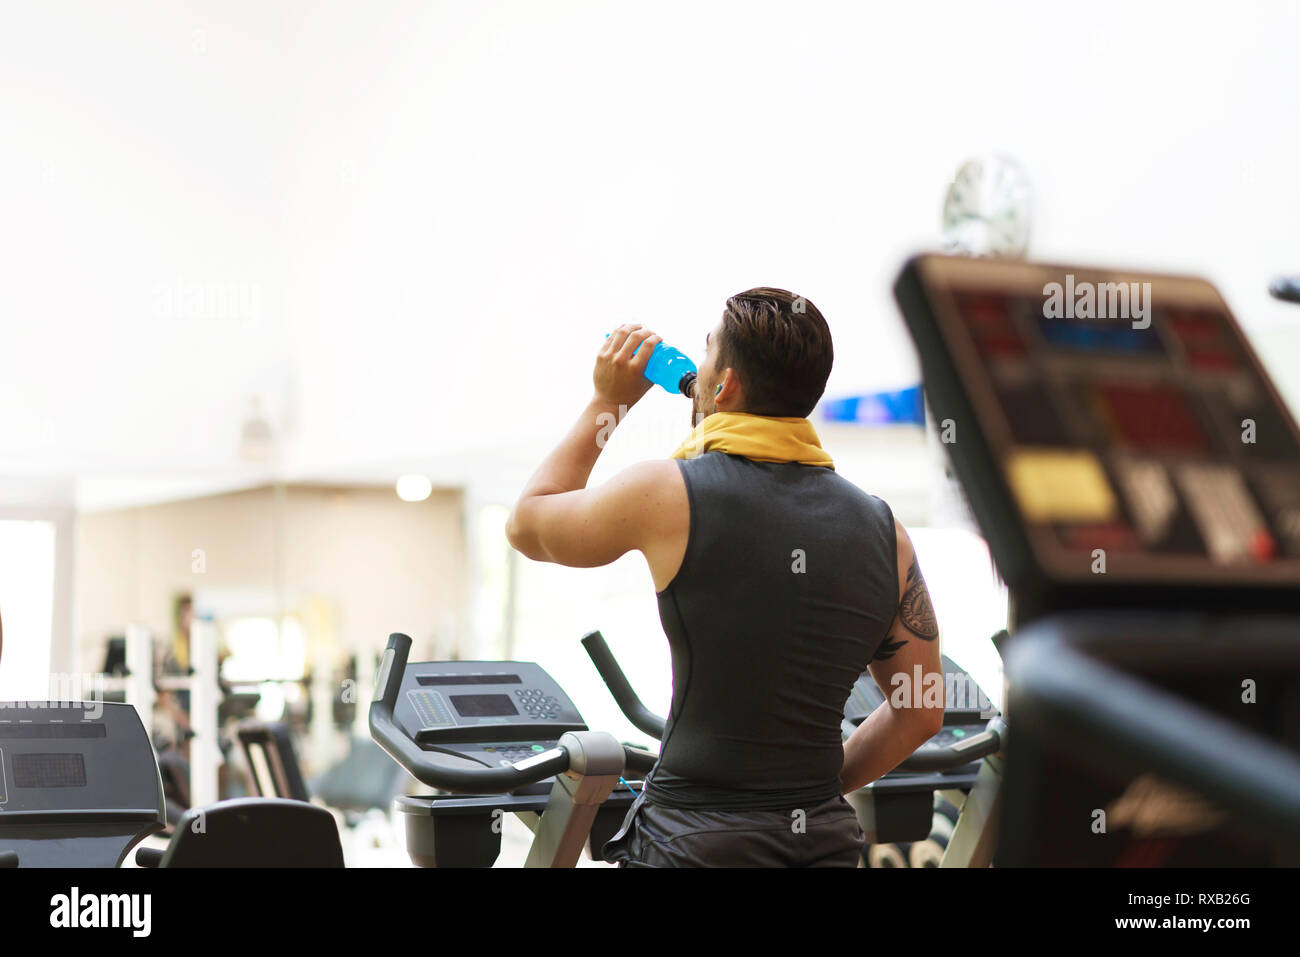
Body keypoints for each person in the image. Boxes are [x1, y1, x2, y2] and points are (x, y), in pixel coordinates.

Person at [506, 288, 944, 867]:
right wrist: (812, 795)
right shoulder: (886, 532)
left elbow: (528, 523)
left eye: (706, 350)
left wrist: (607, 402)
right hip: (823, 845)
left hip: (690, 844)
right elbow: (921, 708)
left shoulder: (669, 492)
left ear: (726, 385)